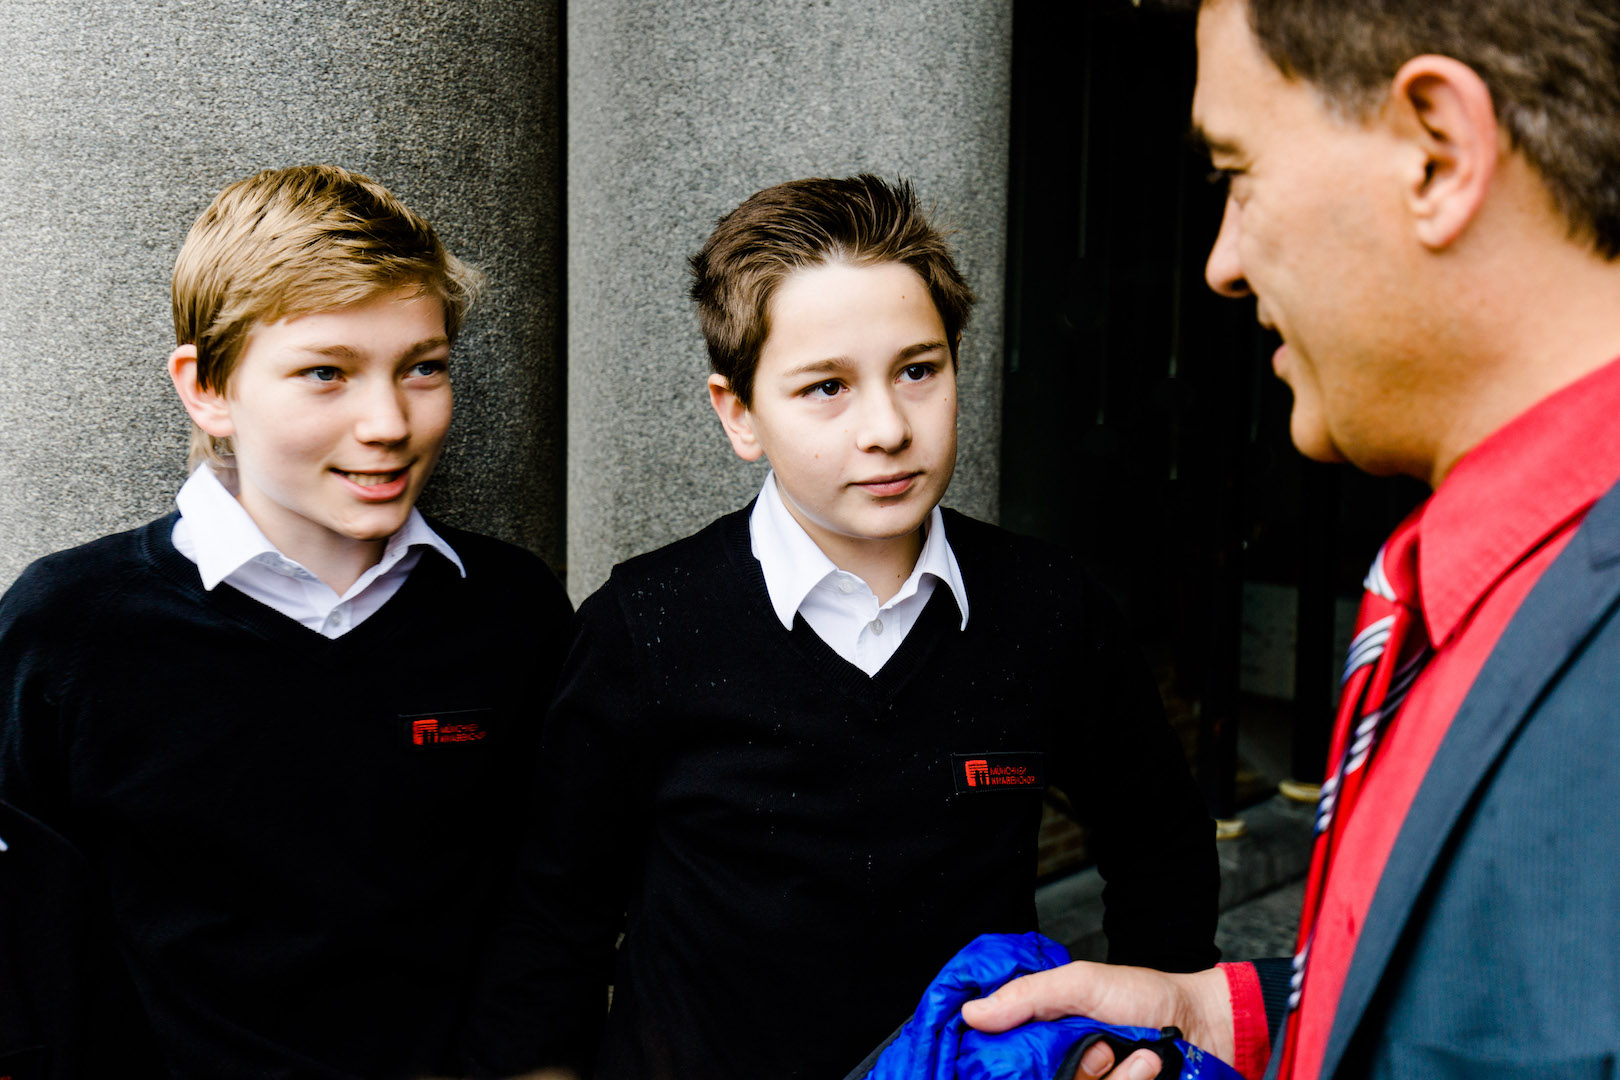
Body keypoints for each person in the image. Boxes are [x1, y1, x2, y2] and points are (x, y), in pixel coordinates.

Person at [959, 1, 1620, 1078]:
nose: (1220, 261)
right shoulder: (1477, 569)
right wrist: (1224, 1019)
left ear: (1436, 156)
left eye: (1238, 170)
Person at [458, 175, 1219, 1080]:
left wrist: (1145, 1033)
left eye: (918, 370)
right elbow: (556, 922)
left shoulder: (1050, 609)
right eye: (826, 387)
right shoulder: (645, 625)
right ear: (739, 413)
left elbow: (1159, 842)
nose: (888, 427)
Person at [0, 164, 572, 1078]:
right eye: (324, 373)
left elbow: (552, 907)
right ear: (207, 388)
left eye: (422, 367)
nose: (388, 421)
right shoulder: (70, 628)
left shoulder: (510, 612)